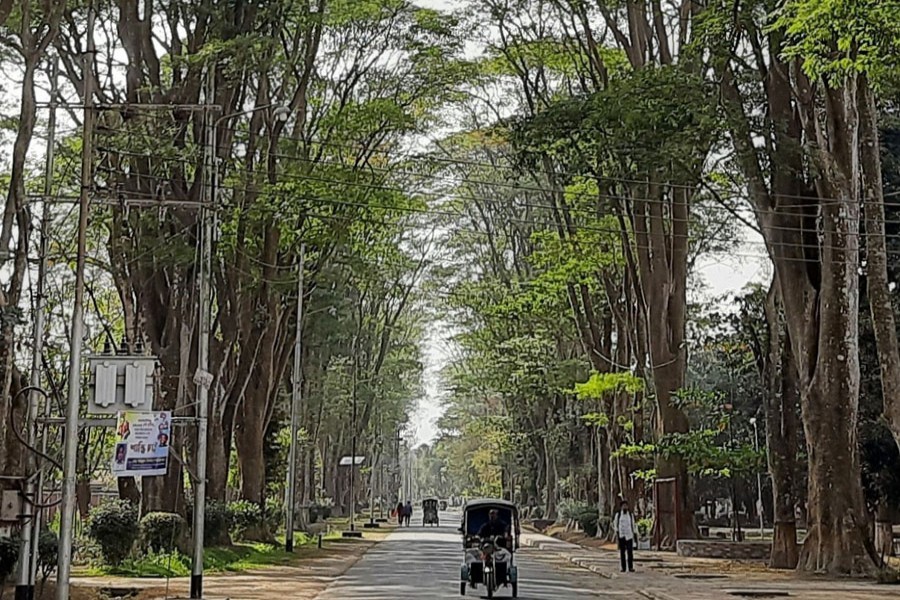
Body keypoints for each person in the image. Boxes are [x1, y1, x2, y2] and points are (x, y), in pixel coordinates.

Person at [614, 500, 637, 573]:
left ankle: (630, 567)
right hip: (621, 535)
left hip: (629, 535)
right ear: (621, 507)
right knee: (622, 552)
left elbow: (633, 524)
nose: (625, 507)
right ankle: (623, 567)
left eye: (626, 506)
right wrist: (617, 533)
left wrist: (635, 533)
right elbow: (615, 524)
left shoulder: (630, 515)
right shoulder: (618, 515)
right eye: (623, 506)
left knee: (630, 552)